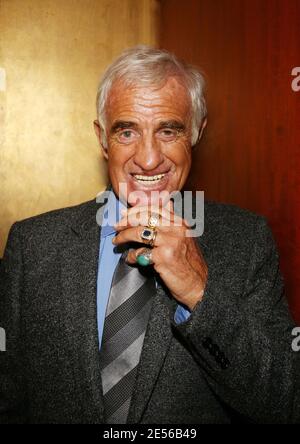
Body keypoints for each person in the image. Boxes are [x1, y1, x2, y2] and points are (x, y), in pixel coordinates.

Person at [0, 46, 298, 424]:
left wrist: (197, 290)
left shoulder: (248, 241)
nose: (149, 158)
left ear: (195, 133)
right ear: (102, 138)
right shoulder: (33, 245)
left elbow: (283, 402)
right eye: (127, 131)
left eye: (168, 131)